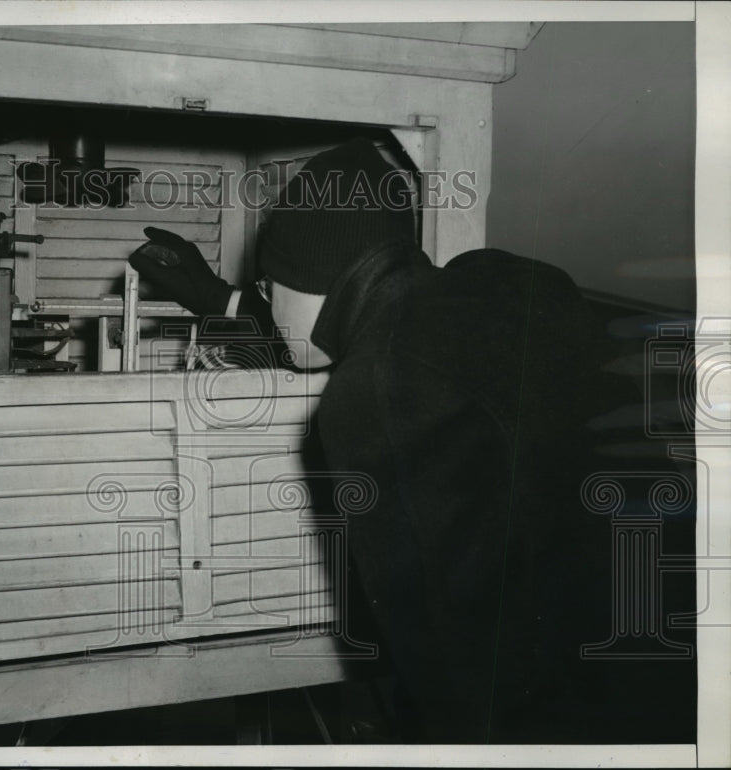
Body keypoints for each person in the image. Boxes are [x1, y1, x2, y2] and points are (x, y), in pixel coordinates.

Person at [128, 138, 695, 743]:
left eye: (267, 287)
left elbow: (456, 657)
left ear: (308, 281)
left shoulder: (374, 393)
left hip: (592, 713)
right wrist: (216, 297)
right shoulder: (497, 280)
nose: (266, 301)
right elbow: (348, 308)